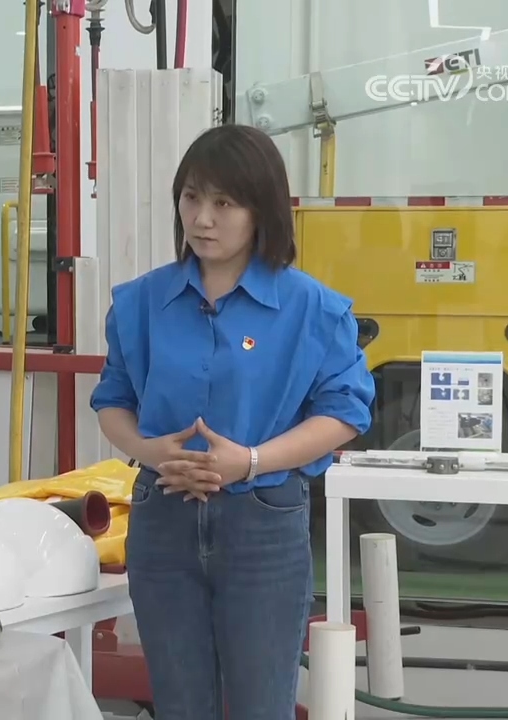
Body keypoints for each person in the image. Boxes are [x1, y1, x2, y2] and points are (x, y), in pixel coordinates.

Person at [89, 124, 375, 720]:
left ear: (260, 210)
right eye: (191, 197)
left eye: (224, 203)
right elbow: (112, 400)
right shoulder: (140, 302)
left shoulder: (312, 308)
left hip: (262, 522)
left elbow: (345, 411)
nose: (203, 218)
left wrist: (249, 461)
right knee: (179, 704)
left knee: (260, 705)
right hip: (162, 517)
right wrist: (149, 450)